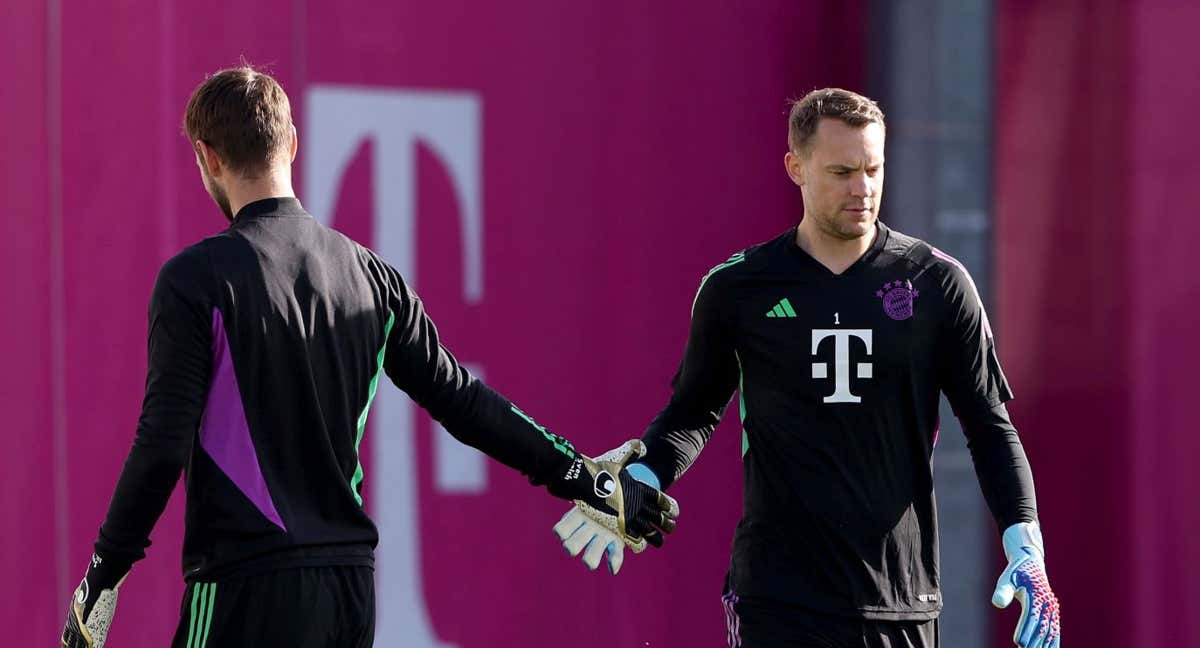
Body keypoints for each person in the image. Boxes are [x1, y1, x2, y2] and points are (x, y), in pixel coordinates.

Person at [60, 66, 677, 648]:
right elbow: (464, 401)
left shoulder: (193, 280)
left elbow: (162, 441)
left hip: (245, 588)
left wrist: (103, 572)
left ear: (209, 157)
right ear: (292, 144)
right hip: (348, 593)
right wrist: (585, 478)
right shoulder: (372, 277)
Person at [555, 88, 1061, 648]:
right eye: (842, 171)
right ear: (795, 167)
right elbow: (692, 413)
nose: (863, 189)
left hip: (901, 598)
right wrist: (642, 477)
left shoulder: (937, 284)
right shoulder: (738, 288)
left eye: (873, 168)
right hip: (778, 600)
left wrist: (1026, 548)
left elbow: (990, 428)